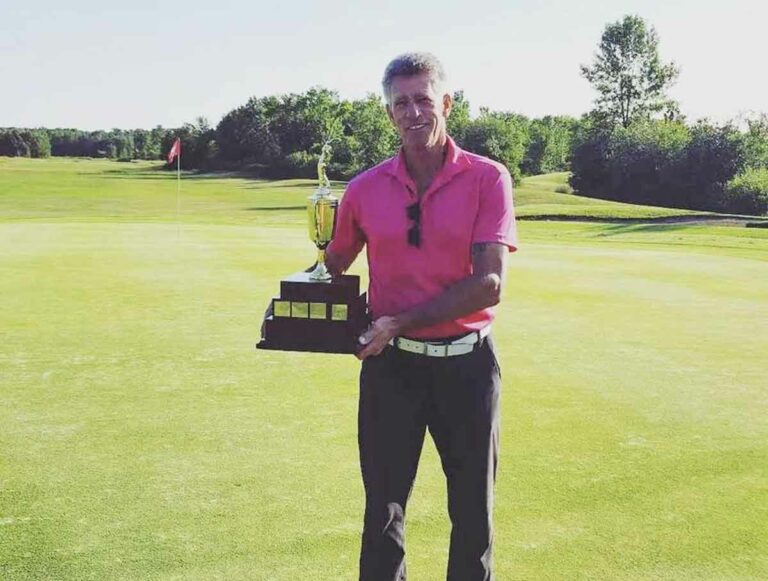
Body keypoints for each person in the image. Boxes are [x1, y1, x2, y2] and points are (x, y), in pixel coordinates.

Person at [325, 52, 517, 580]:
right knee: (383, 509)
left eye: (424, 100)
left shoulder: (487, 179)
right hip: (393, 371)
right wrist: (314, 290)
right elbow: (334, 265)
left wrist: (396, 322)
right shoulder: (364, 189)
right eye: (401, 103)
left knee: (472, 513)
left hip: (467, 366)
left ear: (447, 104)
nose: (413, 112)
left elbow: (488, 284)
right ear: (388, 113)